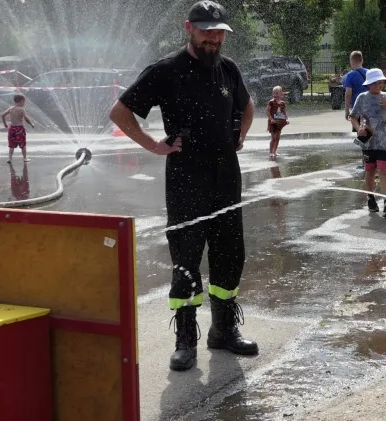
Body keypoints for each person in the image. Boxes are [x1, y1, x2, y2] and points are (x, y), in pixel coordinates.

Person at [109, 0, 258, 372]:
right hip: (185, 180)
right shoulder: (166, 71)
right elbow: (120, 112)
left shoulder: (228, 69)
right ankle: (186, 341)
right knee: (187, 260)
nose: (214, 39)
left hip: (226, 177)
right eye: (207, 31)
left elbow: (248, 106)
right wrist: (154, 146)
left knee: (230, 254)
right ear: (188, 27)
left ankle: (223, 331)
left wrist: (239, 134)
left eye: (220, 32)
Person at [349, 68, 386, 219]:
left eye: (380, 82)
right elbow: (353, 117)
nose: (378, 85)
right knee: (370, 171)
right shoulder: (362, 97)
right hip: (368, 143)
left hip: (385, 141)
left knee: (384, 172)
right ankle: (371, 198)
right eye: (374, 83)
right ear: (368, 84)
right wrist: (358, 127)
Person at [1, 94, 35, 163]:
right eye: (24, 101)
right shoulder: (21, 109)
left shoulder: (11, 108)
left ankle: (10, 159)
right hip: (19, 129)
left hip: (12, 129)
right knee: (23, 144)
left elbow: (3, 115)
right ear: (21, 101)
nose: (24, 103)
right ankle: (25, 158)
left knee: (11, 145)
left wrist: (5, 124)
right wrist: (31, 124)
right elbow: (26, 118)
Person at [343, 51, 368, 125]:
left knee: (360, 132)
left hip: (357, 108)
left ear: (351, 61)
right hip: (370, 107)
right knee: (370, 131)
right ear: (362, 60)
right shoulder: (369, 72)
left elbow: (348, 94)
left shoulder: (350, 75)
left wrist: (347, 110)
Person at [267, 85, 289, 158]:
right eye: (274, 93)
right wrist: (271, 119)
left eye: (277, 93)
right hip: (273, 122)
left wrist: (286, 119)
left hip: (280, 122)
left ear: (281, 94)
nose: (275, 95)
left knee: (278, 137)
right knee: (273, 138)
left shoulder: (282, 103)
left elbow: (284, 112)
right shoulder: (271, 102)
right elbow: (267, 111)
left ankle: (275, 151)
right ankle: (270, 152)